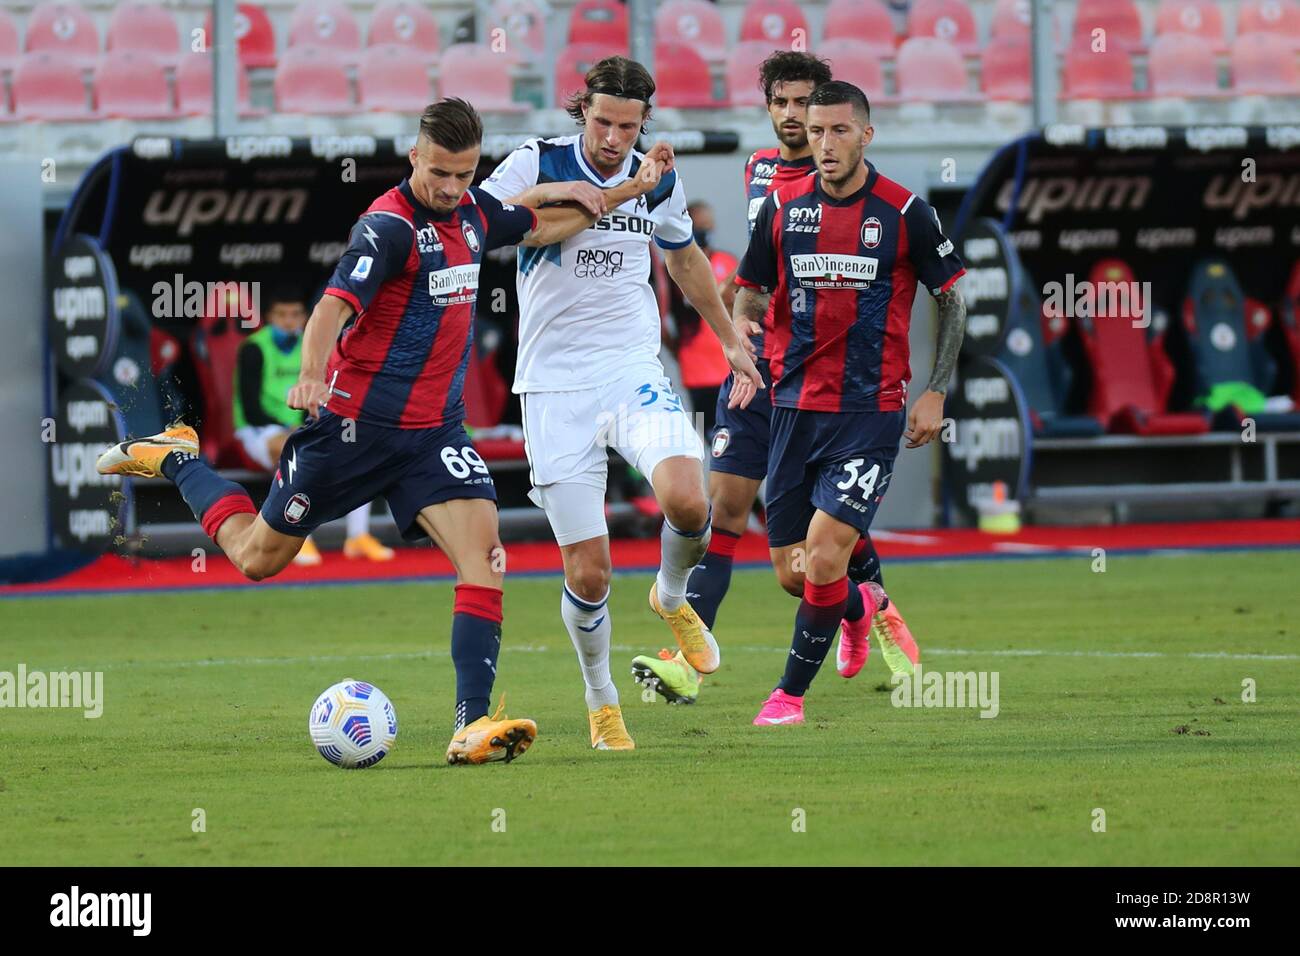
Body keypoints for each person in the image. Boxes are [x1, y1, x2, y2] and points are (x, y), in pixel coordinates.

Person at [97, 98, 671, 764]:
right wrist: (311, 375)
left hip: (434, 436)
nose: (451, 189)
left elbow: (545, 222)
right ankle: (177, 459)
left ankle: (470, 726)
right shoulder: (388, 228)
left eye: (463, 175)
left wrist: (627, 188)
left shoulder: (474, 213)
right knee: (256, 558)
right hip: (352, 431)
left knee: (485, 563)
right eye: (439, 174)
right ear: (414, 158)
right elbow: (330, 309)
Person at [479, 56, 763, 750]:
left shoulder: (657, 175)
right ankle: (602, 699)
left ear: (644, 122)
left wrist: (728, 340)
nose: (613, 136)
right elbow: (486, 223)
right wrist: (593, 191)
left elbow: (684, 258)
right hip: (551, 385)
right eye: (603, 121)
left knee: (690, 502)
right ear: (583, 110)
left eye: (628, 125)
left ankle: (670, 596)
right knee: (590, 568)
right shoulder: (534, 159)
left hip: (629, 366)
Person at [632, 52, 920, 707]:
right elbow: (757, 275)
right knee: (723, 509)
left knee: (813, 548)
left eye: (804, 104)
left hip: (826, 385)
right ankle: (687, 660)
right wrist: (738, 342)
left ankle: (866, 609)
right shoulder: (759, 169)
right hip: (759, 374)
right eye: (781, 103)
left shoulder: (860, 191)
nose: (793, 116)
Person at [733, 81, 967, 725]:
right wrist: (745, 326)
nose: (826, 144)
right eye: (815, 132)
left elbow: (951, 298)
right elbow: (750, 288)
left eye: (839, 131)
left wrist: (937, 391)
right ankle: (862, 611)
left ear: (867, 134)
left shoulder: (905, 211)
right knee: (794, 571)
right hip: (791, 407)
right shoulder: (779, 208)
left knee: (828, 551)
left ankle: (787, 698)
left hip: (869, 411)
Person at [232, 285, 394, 567]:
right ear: (270, 316)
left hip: (303, 426)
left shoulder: (312, 346)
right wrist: (295, 428)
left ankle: (358, 536)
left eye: (295, 315)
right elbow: (251, 409)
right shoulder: (254, 348)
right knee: (293, 450)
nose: (289, 321)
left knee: (354, 447)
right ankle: (297, 535)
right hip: (258, 431)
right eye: (282, 315)